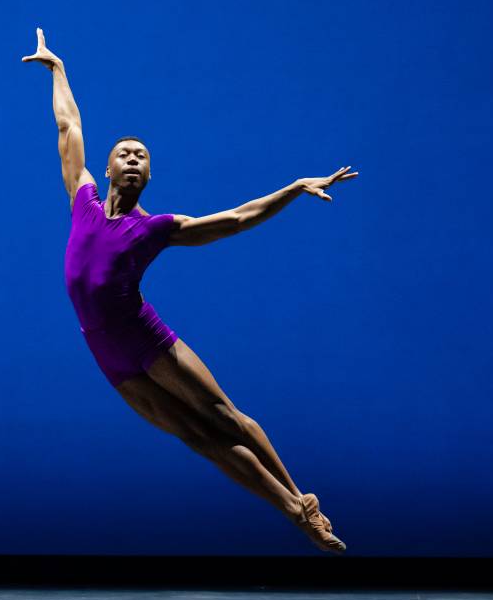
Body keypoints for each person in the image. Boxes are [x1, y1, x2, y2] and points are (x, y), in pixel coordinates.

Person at [22, 30, 354, 552]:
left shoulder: (157, 228)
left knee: (226, 419)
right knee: (201, 440)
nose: (133, 159)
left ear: (148, 176)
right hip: (108, 356)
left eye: (143, 157)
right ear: (108, 167)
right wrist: (57, 69)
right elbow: (69, 124)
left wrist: (292, 189)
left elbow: (234, 220)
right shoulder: (80, 197)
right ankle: (293, 512)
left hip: (147, 341)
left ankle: (302, 498)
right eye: (125, 153)